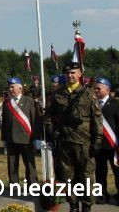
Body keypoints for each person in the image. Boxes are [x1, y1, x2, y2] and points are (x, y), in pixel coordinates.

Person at [43, 62, 102, 212]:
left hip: (85, 144)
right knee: (67, 178)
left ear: (80, 74)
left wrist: (97, 141)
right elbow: (47, 117)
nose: (70, 76)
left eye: (73, 73)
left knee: (87, 178)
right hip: (64, 144)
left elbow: (97, 119)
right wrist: (50, 132)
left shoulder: (89, 94)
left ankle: (87, 207)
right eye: (67, 73)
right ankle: (73, 205)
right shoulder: (57, 95)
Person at [1, 77, 39, 185]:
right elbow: (4, 122)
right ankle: (14, 185)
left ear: (20, 87)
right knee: (12, 165)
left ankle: (33, 186)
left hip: (26, 139)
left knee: (29, 164)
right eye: (10, 87)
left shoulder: (29, 101)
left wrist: (36, 138)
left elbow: (35, 121)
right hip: (11, 139)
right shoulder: (7, 103)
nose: (11, 89)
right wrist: (4, 138)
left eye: (13, 87)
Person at [93, 77, 119, 205]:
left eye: (99, 88)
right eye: (95, 88)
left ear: (107, 90)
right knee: (100, 172)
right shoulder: (93, 104)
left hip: (113, 145)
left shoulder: (116, 104)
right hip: (99, 146)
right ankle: (102, 195)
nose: (96, 90)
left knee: (117, 172)